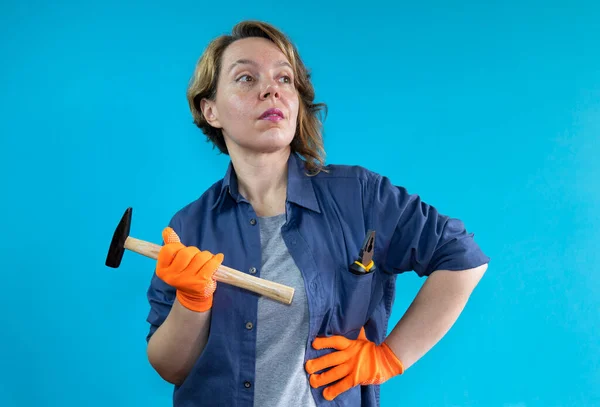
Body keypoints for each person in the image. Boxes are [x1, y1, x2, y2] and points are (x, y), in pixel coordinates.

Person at [145, 20, 490, 407]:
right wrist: (191, 302)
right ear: (210, 110)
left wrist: (389, 358)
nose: (271, 89)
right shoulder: (188, 227)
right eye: (245, 78)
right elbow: (170, 368)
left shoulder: (361, 197)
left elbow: (463, 258)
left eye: (285, 79)